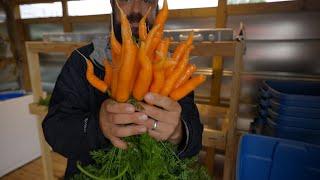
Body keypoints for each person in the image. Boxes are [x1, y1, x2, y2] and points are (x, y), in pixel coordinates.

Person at [42, 0, 203, 179]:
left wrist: (179, 131)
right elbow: (54, 129)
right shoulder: (82, 60)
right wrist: (97, 127)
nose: (135, 10)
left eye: (147, 0)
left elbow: (195, 138)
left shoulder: (174, 66)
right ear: (112, 3)